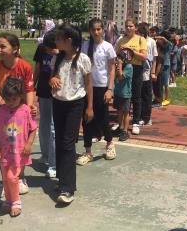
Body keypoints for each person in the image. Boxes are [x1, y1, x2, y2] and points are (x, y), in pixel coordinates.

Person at [50, 24, 93, 204]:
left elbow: (89, 84)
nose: (56, 41)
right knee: (59, 141)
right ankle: (62, 179)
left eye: (59, 38)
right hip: (58, 103)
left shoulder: (83, 59)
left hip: (75, 105)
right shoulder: (57, 59)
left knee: (68, 143)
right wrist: (51, 79)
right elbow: (52, 77)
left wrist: (90, 108)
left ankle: (68, 188)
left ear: (68, 40)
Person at [0, 33, 36, 198]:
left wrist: (29, 108)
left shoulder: (25, 66)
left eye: (3, 46)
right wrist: (4, 108)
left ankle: (20, 177)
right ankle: (5, 181)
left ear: (15, 49)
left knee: (20, 144)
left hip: (21, 112)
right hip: (5, 112)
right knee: (4, 145)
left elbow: (29, 90)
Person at [0, 77, 37, 217]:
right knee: (5, 177)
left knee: (12, 177)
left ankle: (16, 201)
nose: (11, 103)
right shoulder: (1, 111)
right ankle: (8, 200)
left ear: (21, 96)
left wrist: (29, 144)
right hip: (4, 152)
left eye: (14, 99)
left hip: (19, 152)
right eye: (8, 99)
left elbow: (33, 129)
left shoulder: (25, 111)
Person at [77, 19, 117, 166]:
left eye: (99, 29)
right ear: (89, 30)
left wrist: (110, 89)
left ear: (103, 30)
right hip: (87, 87)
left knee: (102, 118)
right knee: (87, 118)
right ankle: (88, 151)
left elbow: (112, 69)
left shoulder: (108, 47)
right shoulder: (85, 46)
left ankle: (110, 143)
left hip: (102, 87)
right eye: (93, 29)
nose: (96, 32)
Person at [115, 18, 147, 135]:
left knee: (136, 95)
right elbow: (116, 54)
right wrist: (119, 64)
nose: (128, 28)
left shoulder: (140, 39)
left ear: (136, 28)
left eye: (131, 26)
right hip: (124, 68)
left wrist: (132, 52)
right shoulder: (121, 40)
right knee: (123, 95)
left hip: (136, 69)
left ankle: (135, 122)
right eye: (127, 26)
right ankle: (121, 123)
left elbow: (144, 57)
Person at [33, 31, 58, 178]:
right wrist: (31, 86)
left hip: (57, 93)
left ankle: (54, 164)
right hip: (43, 90)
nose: (48, 50)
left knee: (54, 128)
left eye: (51, 48)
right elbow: (37, 68)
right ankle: (45, 155)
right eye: (47, 48)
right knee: (44, 124)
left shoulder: (62, 52)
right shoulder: (42, 48)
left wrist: (57, 53)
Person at [113, 48, 134, 142]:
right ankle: (120, 127)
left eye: (120, 58)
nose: (118, 60)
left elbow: (121, 77)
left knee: (126, 113)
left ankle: (125, 131)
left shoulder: (129, 67)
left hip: (125, 94)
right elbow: (114, 77)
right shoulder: (117, 66)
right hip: (118, 92)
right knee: (119, 111)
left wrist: (120, 66)